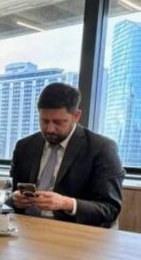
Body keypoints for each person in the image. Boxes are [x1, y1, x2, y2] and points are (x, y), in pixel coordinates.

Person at [9, 83, 124, 227]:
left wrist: (67, 203)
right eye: (44, 121)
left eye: (58, 122)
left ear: (76, 116)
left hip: (73, 230)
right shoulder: (24, 146)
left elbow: (110, 209)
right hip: (26, 227)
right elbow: (11, 194)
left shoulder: (101, 148)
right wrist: (15, 198)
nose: (50, 129)